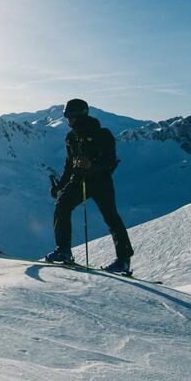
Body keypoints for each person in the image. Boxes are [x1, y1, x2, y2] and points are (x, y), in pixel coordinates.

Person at [45, 98, 134, 273]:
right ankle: (64, 251)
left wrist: (91, 165)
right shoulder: (71, 137)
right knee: (62, 205)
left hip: (100, 181)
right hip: (79, 181)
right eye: (67, 116)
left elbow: (110, 162)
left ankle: (123, 260)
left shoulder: (103, 135)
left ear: (80, 115)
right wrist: (60, 186)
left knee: (111, 218)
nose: (68, 120)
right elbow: (69, 165)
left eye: (71, 116)